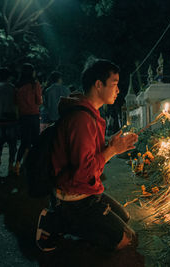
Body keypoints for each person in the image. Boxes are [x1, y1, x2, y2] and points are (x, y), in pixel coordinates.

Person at [36, 59, 139, 252]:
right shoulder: (81, 119)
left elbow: (88, 157)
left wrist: (111, 146)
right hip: (74, 196)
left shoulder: (90, 115)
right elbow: (83, 173)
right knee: (125, 240)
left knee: (124, 218)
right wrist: (111, 151)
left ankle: (66, 218)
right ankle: (56, 221)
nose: (118, 90)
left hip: (86, 190)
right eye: (115, 84)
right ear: (98, 85)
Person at [14, 63, 42, 175]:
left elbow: (15, 102)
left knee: (24, 142)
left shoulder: (17, 86)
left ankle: (17, 164)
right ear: (31, 72)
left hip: (23, 116)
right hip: (34, 115)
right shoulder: (35, 85)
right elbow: (39, 102)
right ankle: (34, 166)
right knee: (35, 142)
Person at [0, 67, 18, 174]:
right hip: (11, 119)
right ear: (8, 77)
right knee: (12, 144)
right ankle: (10, 164)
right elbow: (16, 104)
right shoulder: (13, 88)